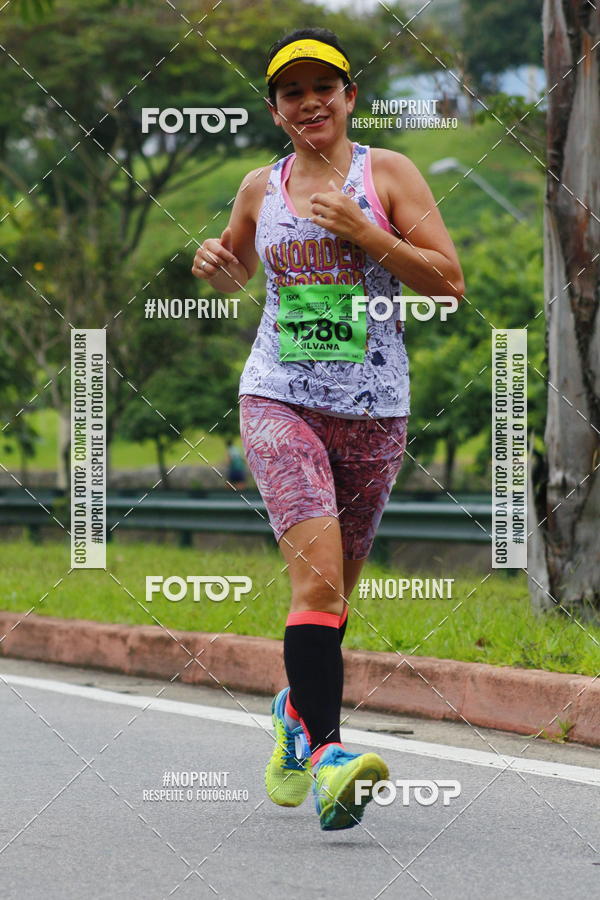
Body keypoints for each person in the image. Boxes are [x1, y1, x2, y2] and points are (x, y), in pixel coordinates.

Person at [192, 27, 464, 830]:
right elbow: (240, 266)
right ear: (276, 110)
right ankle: (333, 759)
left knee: (335, 598)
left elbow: (448, 282)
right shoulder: (258, 187)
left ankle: (294, 713)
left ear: (349, 97)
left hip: (375, 408)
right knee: (312, 583)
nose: (309, 101)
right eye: (291, 92)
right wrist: (215, 264)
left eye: (324, 87)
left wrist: (368, 233)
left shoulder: (390, 174)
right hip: (280, 398)